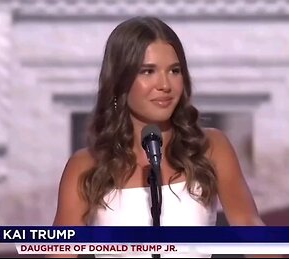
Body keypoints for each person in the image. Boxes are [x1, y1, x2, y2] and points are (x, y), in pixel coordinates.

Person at [51, 16, 264, 258]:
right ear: (120, 82)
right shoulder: (86, 166)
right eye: (148, 71)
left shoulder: (211, 147)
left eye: (174, 71)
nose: (165, 84)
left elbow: (249, 225)